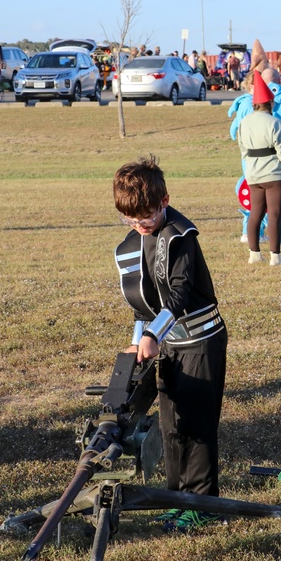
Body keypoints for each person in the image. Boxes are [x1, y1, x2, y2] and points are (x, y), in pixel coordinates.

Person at [112, 155, 228, 532]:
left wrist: (152, 335)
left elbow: (177, 295)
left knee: (197, 422)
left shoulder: (181, 236)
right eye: (130, 221)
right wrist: (138, 342)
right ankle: (177, 497)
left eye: (144, 219)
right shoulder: (138, 238)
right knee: (171, 424)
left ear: (164, 202)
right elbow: (143, 303)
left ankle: (203, 503)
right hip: (169, 345)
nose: (138, 227)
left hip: (200, 342)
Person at [238, 72, 281, 265]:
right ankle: (276, 256)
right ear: (270, 102)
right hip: (275, 175)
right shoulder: (275, 122)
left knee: (255, 213)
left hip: (254, 175)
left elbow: (243, 150)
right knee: (274, 214)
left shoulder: (244, 123)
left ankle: (254, 254)